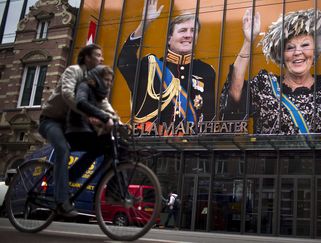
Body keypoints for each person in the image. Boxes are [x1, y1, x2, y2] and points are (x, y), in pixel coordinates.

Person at [220, 9, 321, 135]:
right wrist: (248, 41)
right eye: (290, 47)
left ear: (315, 51)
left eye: (305, 45)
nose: (297, 52)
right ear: (281, 55)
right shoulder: (265, 85)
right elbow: (234, 93)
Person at [117, 0, 215, 133]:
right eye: (182, 30)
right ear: (169, 39)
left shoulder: (206, 71)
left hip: (190, 147)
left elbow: (209, 117)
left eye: (193, 31)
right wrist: (144, 24)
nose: (188, 35)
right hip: (150, 145)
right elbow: (124, 61)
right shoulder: (151, 66)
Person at [39, 44, 113, 216]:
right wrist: (87, 114)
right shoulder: (73, 71)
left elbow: (104, 104)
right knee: (63, 149)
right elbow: (67, 94)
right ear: (87, 57)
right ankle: (61, 201)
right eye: (98, 55)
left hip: (71, 127)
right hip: (51, 121)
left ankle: (70, 177)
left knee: (99, 146)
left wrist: (117, 120)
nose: (102, 59)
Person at [65, 65, 118, 187]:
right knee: (99, 147)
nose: (109, 83)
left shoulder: (101, 95)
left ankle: (109, 187)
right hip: (75, 129)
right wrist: (105, 118)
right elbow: (81, 102)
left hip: (87, 130)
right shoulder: (85, 86)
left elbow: (109, 112)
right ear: (98, 78)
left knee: (114, 148)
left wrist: (119, 123)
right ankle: (71, 176)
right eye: (106, 79)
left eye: (111, 81)